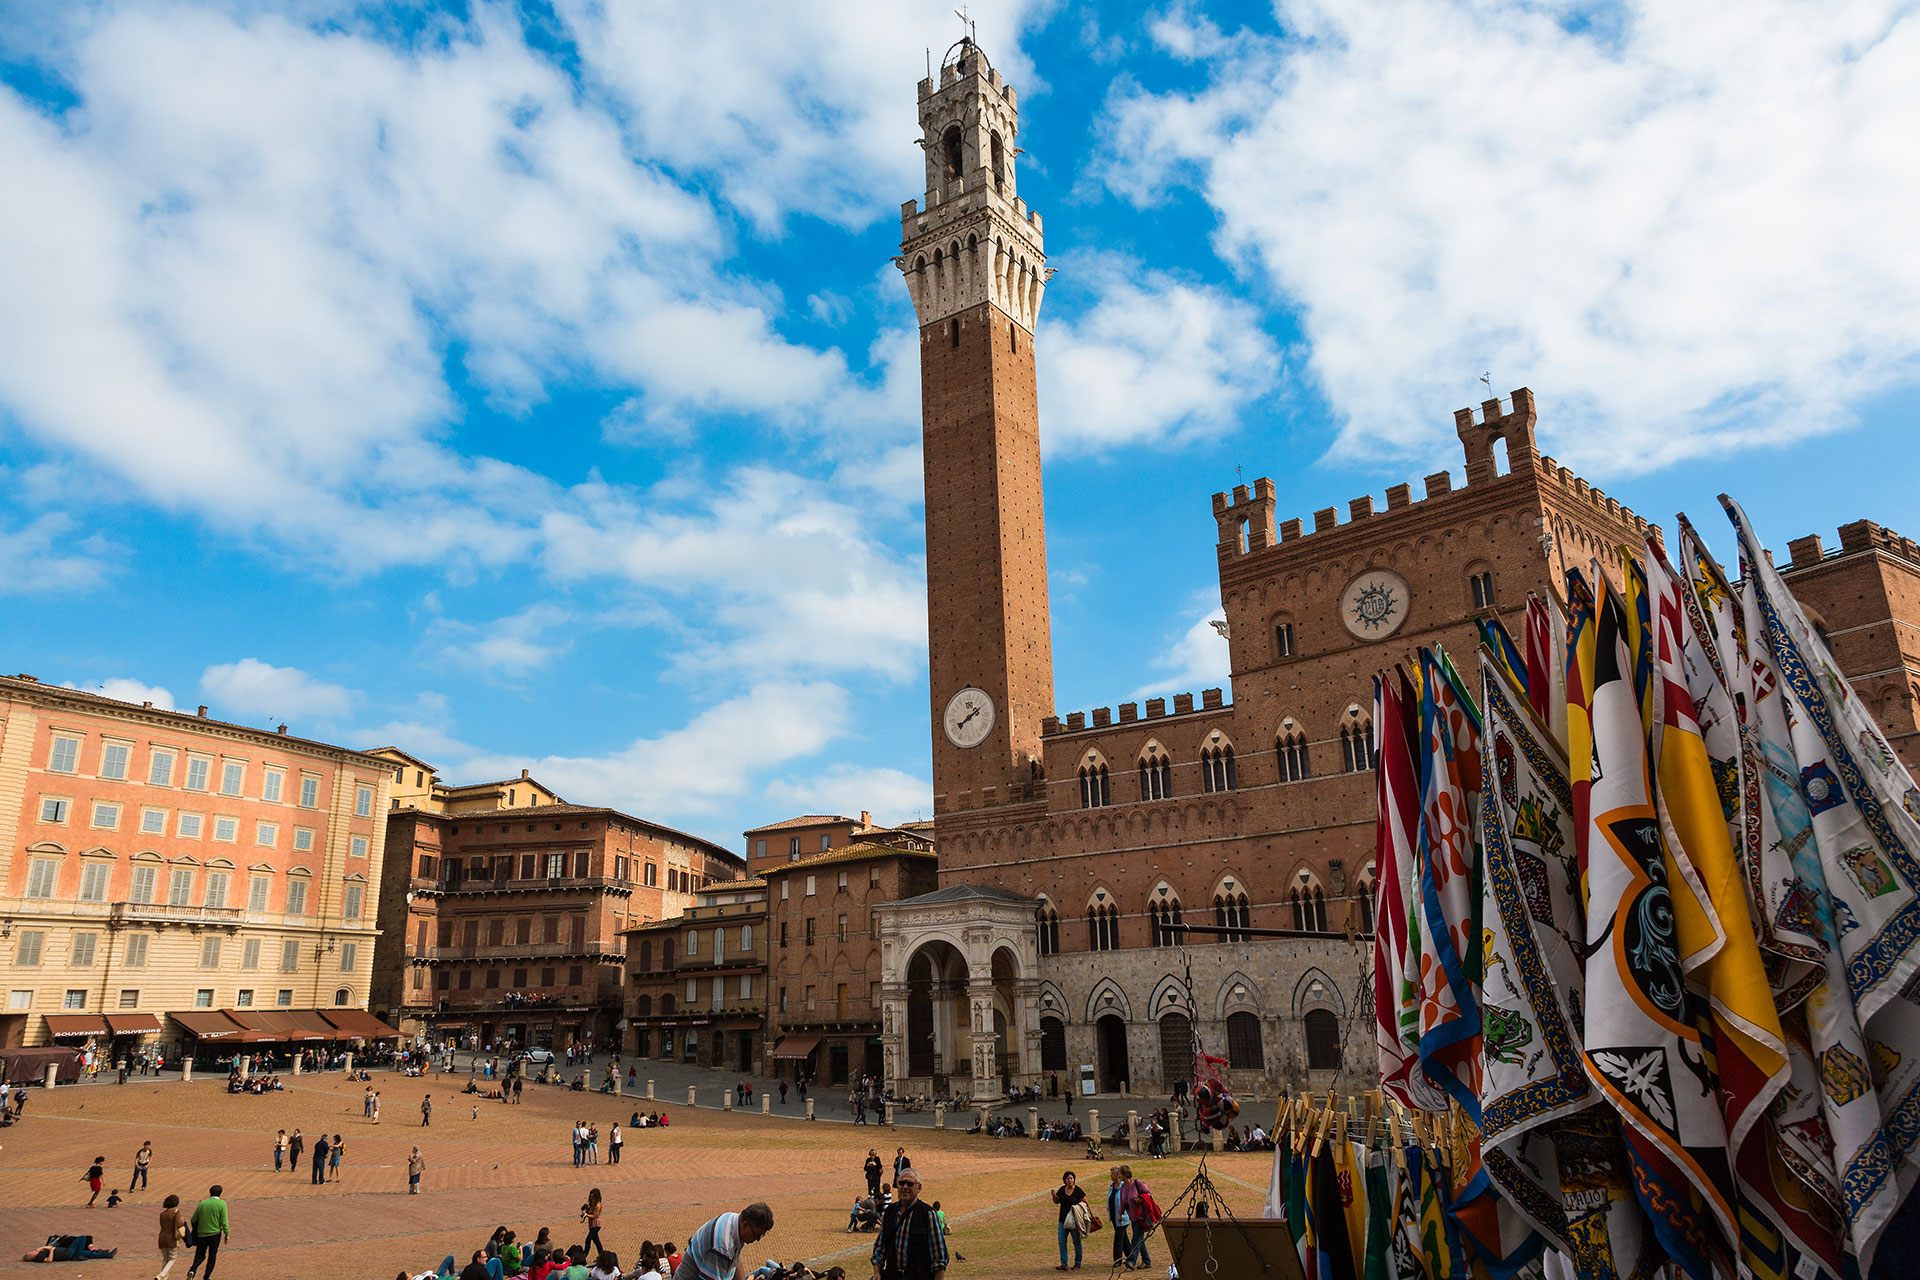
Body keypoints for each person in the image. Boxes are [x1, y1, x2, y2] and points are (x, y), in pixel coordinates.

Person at [870, 1169, 945, 1280]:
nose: (905, 1187)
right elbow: (880, 1246)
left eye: (910, 1184)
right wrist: (877, 1272)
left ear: (919, 1188)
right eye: (901, 1183)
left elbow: (939, 1258)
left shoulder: (928, 1214)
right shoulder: (890, 1212)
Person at [674, 1202, 773, 1280]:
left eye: (761, 1235)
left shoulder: (735, 1221)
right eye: (756, 1235)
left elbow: (735, 1261)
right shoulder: (722, 1246)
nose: (758, 1240)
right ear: (745, 1224)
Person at [183, 1184, 228, 1280]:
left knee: (199, 1255)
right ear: (220, 1193)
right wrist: (226, 1233)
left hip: (202, 1233)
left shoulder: (203, 1204)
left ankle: (192, 1270)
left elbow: (193, 1219)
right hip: (215, 1234)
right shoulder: (222, 1204)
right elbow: (224, 1221)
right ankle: (206, 1276)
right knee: (212, 1256)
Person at [1119, 1165, 1153, 1270]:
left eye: (1120, 1173)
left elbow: (1148, 1194)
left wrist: (1141, 1200)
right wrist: (1120, 1214)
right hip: (1132, 1217)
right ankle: (1147, 1261)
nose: (1118, 1175)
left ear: (1124, 1174)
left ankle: (1132, 1261)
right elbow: (1122, 1202)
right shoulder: (1123, 1187)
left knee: (1136, 1238)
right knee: (1139, 1239)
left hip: (1141, 1216)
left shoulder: (1137, 1183)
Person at [1051, 1170, 1086, 1271]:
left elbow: (1085, 1202)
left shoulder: (1078, 1190)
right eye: (1068, 1178)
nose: (1070, 1180)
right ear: (1064, 1180)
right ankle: (1064, 1263)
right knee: (1062, 1241)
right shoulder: (1062, 1190)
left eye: (1071, 1178)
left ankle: (1078, 1263)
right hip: (1063, 1220)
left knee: (1076, 1242)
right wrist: (1054, 1196)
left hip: (1075, 1221)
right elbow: (1057, 1201)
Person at [157, 1193, 184, 1279]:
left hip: (162, 1238)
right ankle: (161, 1275)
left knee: (165, 1259)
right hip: (171, 1238)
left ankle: (163, 1277)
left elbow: (162, 1225)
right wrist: (182, 1221)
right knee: (172, 1258)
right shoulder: (176, 1212)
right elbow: (179, 1224)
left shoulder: (162, 1214)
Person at [581, 1188, 605, 1256]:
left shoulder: (598, 1205)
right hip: (591, 1225)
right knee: (596, 1241)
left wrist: (585, 1215)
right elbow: (588, 1213)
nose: (591, 1198)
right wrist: (584, 1210)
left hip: (596, 1225)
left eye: (592, 1197)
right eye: (590, 1196)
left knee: (588, 1240)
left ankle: (584, 1256)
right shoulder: (591, 1204)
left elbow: (595, 1215)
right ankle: (602, 1256)